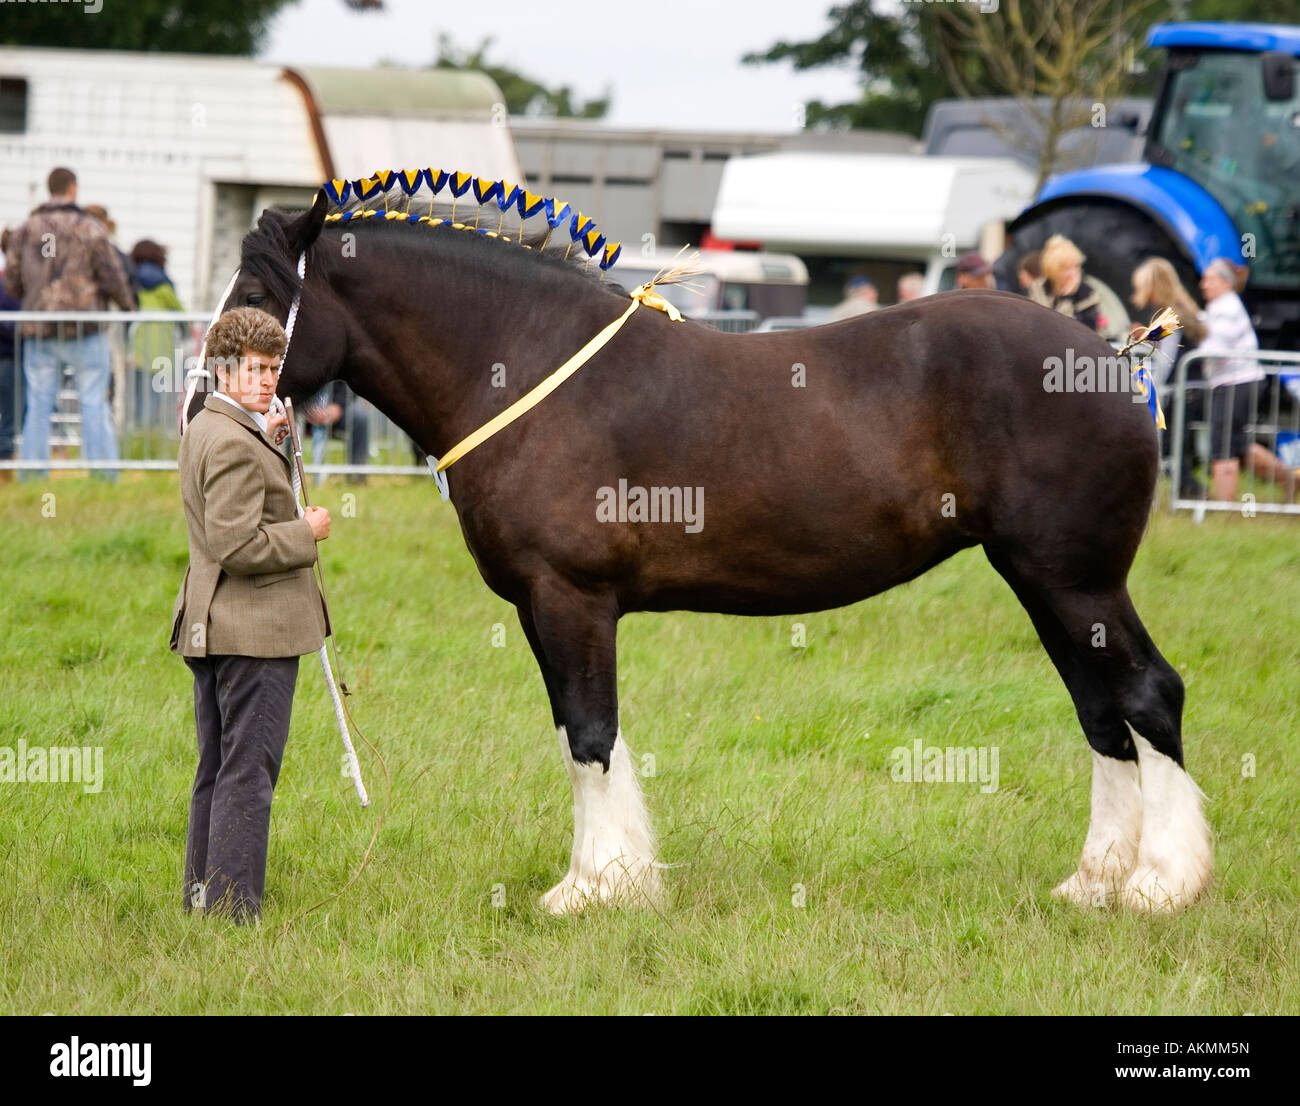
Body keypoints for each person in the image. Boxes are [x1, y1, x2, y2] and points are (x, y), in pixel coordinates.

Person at [170, 306, 332, 923]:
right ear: (223, 368)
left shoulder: (211, 427)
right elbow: (237, 545)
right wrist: (305, 531)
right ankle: (234, 912)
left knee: (216, 767)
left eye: (274, 368)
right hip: (251, 633)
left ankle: (202, 899)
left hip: (215, 628)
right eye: (257, 369)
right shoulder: (234, 441)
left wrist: (279, 442)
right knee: (248, 773)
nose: (269, 380)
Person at [3, 167, 134, 480]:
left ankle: (33, 475)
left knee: (39, 403)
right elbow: (111, 274)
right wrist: (128, 306)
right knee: (93, 401)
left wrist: (33, 296)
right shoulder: (89, 227)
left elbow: (11, 278)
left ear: (50, 189)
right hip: (84, 328)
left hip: (40, 328)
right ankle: (103, 476)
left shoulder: (27, 228)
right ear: (73, 189)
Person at [1197, 257, 1294, 502]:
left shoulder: (1226, 308)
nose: (1203, 284)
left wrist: (1194, 339)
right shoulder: (1221, 307)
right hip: (1237, 382)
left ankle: (1224, 508)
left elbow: (1216, 348)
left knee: (1223, 446)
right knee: (1238, 445)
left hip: (1235, 383)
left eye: (1209, 279)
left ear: (1225, 282)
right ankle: (1291, 479)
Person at [1131, 257, 1207, 498]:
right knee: (1179, 442)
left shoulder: (1168, 314)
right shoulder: (1182, 309)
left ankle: (1189, 492)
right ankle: (1188, 491)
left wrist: (1154, 390)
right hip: (1192, 387)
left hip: (1181, 389)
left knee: (1173, 444)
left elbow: (1168, 357)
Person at [130, 239, 185, 431]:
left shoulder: (132, 282)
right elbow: (180, 312)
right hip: (162, 350)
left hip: (136, 348)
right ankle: (153, 434)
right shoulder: (164, 285)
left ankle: (139, 433)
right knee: (157, 397)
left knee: (138, 397)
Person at [1028, 235, 1104, 333]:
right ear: (1053, 270)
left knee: (1070, 349)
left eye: (1076, 266)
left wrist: (1068, 296)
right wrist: (1065, 297)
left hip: (1075, 346)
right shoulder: (1038, 289)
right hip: (1045, 343)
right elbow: (1046, 325)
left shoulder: (1088, 293)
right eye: (1066, 268)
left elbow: (1082, 331)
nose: (1073, 273)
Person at [0, 231, 18, 484]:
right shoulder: (8, 283)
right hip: (7, 354)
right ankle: (4, 466)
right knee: (9, 413)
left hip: (10, 353)